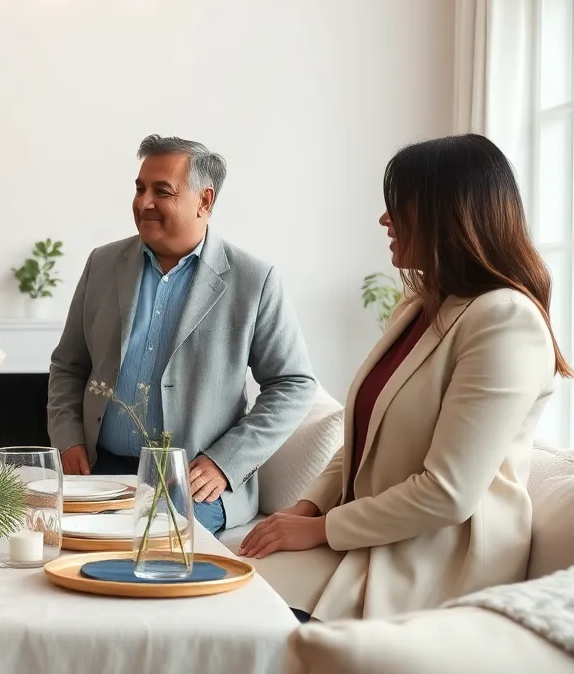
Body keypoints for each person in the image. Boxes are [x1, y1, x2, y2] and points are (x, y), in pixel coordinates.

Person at [240, 134, 570, 621]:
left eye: (400, 205)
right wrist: (308, 507)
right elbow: (363, 440)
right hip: (370, 543)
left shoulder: (504, 320)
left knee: (232, 614)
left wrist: (323, 528)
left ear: (447, 213)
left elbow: (448, 494)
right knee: (219, 597)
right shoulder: (419, 305)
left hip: (435, 561)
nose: (384, 219)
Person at [48, 134, 317, 534]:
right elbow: (68, 366)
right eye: (140, 188)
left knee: (145, 550)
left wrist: (226, 462)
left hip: (192, 483)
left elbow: (294, 384)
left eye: (162, 191)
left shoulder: (254, 280)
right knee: (46, 538)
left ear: (204, 201)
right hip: (100, 470)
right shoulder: (103, 264)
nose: (143, 203)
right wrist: (68, 438)